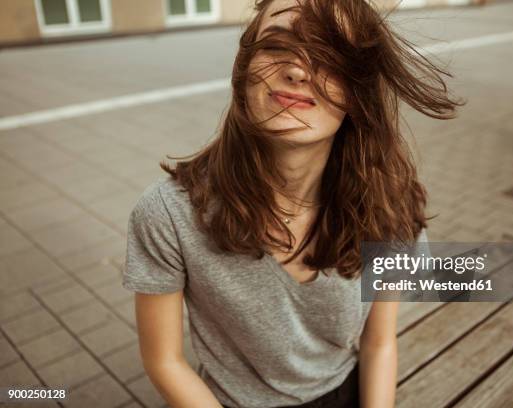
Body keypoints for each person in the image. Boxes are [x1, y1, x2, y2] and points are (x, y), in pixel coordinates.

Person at [122, 0, 463, 407]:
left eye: (328, 53)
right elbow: (164, 361)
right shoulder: (168, 215)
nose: (298, 68)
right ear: (243, 72)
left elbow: (379, 344)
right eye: (276, 45)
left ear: (358, 93)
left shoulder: (391, 205)